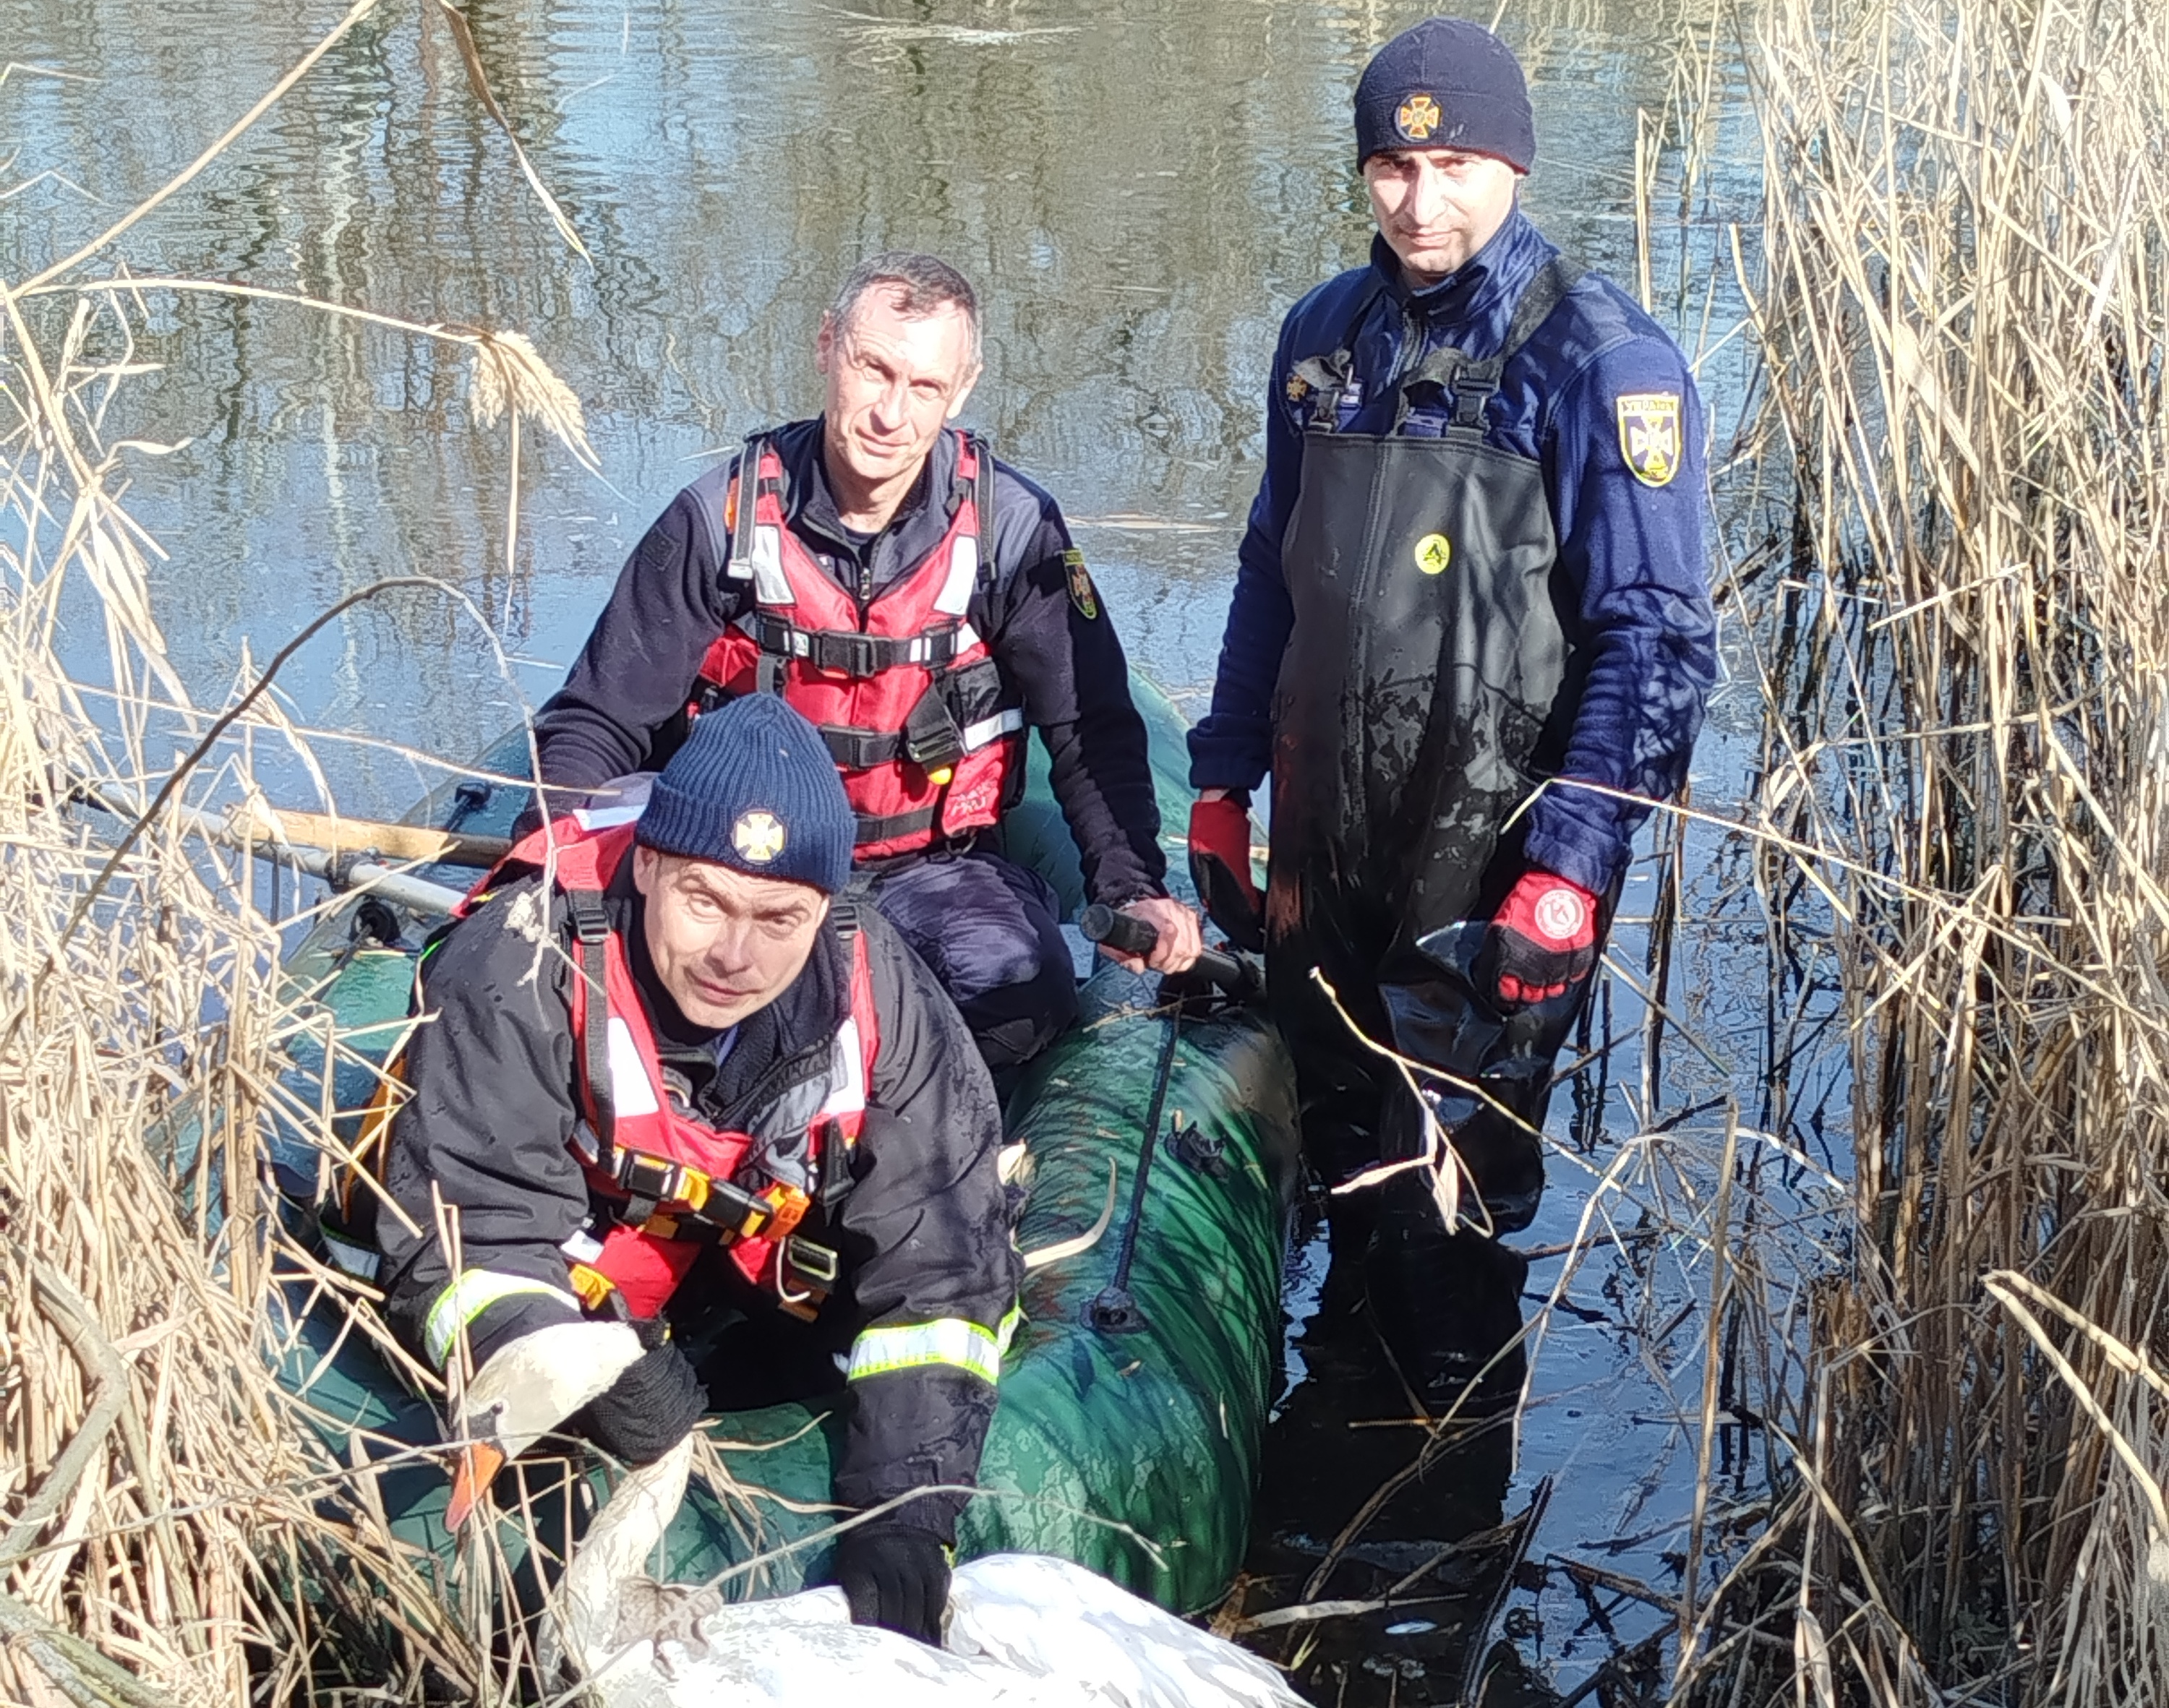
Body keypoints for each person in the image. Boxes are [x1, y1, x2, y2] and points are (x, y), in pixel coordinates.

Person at [1184, 18, 1717, 1400]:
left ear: (1517, 165)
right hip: (1326, 845)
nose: (1424, 202)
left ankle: (1441, 1537)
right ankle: (1324, 1487)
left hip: (1490, 859)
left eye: (1459, 163)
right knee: (1347, 1172)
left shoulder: (1602, 359)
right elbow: (1269, 565)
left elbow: (1656, 644)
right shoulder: (1322, 336)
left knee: (1447, 1206)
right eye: (1393, 166)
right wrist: (1223, 778)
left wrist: (1569, 875)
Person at [373, 695, 1019, 1644]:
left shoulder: (879, 988)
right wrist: (583, 1367)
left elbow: (947, 1268)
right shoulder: (521, 964)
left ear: (828, 908)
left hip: (766, 1265)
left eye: (777, 916)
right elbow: (466, 1236)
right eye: (703, 899)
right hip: (588, 1273)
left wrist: (909, 1510)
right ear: (646, 865)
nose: (734, 954)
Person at [526, 252, 1201, 1071]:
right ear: (827, 347)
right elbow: (601, 718)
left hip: (930, 870)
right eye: (873, 369)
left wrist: (1130, 885)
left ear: (962, 388)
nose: (891, 413)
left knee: (1019, 987)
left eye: (924, 387)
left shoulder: (1014, 531)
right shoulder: (721, 519)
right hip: (741, 867)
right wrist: (549, 865)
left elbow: (1088, 725)